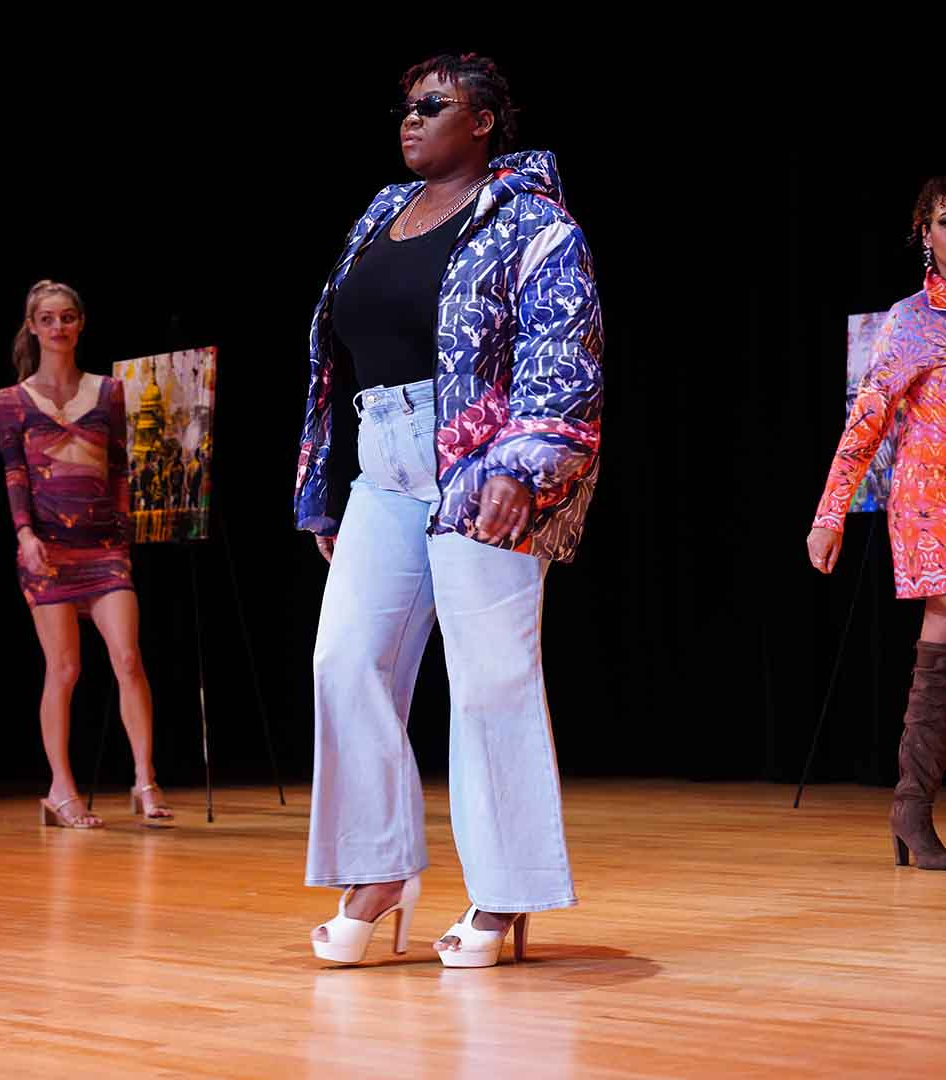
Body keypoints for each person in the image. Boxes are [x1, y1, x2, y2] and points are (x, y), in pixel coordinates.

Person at [294, 54, 604, 965]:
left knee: (490, 677)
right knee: (344, 659)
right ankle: (379, 870)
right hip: (380, 459)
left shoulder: (533, 221)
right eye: (405, 106)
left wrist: (526, 466)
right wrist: (323, 485)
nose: (411, 118)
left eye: (433, 105)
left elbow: (565, 353)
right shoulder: (381, 213)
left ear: (483, 121)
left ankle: (505, 897)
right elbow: (335, 357)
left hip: (482, 460)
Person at [0, 281, 172, 828]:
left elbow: (119, 467)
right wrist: (25, 534)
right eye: (48, 319)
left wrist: (121, 533)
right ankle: (61, 789)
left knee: (128, 658)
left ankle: (145, 779)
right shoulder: (12, 401)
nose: (59, 327)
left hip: (103, 547)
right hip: (48, 549)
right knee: (65, 668)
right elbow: (15, 474)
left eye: (67, 317)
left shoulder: (108, 391)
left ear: (80, 323)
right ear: (32, 327)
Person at [808, 176, 946, 870]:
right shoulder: (910, 320)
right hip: (932, 501)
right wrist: (829, 514)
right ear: (925, 233)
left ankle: (908, 808)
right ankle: (912, 808)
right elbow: (866, 425)